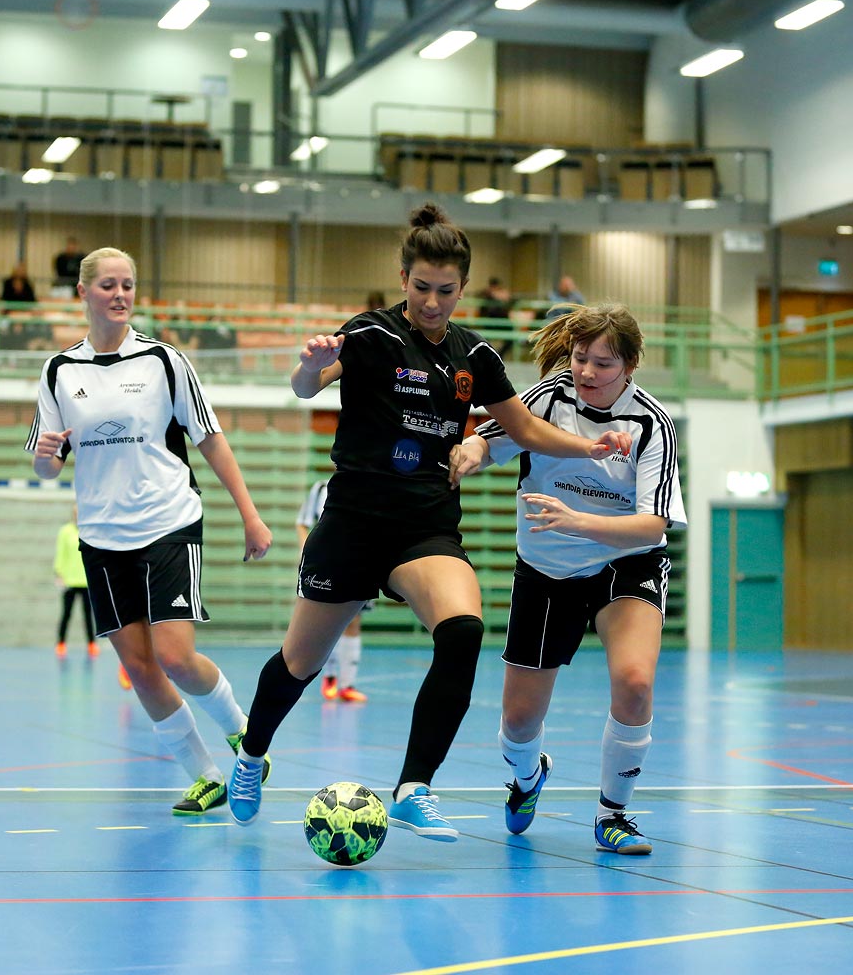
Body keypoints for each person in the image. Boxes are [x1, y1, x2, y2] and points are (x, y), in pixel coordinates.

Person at [225, 203, 632, 841]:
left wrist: (591, 446)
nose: (433, 302)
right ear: (403, 277)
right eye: (421, 288)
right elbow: (308, 386)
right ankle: (251, 755)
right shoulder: (369, 335)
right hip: (354, 522)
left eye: (446, 291)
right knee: (299, 663)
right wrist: (310, 362)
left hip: (426, 525)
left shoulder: (477, 357)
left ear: (463, 288)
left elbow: (522, 428)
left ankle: (414, 787)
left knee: (464, 630)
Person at [27, 245, 275, 816]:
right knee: (138, 667)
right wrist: (44, 455)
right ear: (83, 293)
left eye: (128, 285)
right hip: (101, 535)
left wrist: (250, 513)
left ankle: (245, 737)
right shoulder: (60, 371)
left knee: (175, 656)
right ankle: (205, 775)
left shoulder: (165, 361)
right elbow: (47, 464)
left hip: (168, 521)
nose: (119, 295)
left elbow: (209, 437)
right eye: (108, 285)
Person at [452, 304, 685, 856]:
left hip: (623, 562)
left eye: (603, 363)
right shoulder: (547, 399)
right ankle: (528, 775)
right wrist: (469, 452)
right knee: (518, 720)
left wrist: (580, 523)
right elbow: (492, 439)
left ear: (630, 366)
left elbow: (653, 524)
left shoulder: (652, 424)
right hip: (546, 569)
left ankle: (614, 814)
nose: (586, 372)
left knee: (634, 681)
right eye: (581, 358)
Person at [295, 479, 366, 704]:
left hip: (358, 561)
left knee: (354, 620)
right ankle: (330, 677)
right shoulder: (320, 488)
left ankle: (348, 684)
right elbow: (302, 522)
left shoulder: (367, 485)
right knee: (327, 621)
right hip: (326, 562)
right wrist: (309, 551)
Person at [53, 507, 96, 659]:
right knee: (66, 614)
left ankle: (91, 644)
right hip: (69, 581)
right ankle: (61, 643)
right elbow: (61, 553)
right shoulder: (65, 531)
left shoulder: (89, 530)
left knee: (88, 615)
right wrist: (59, 574)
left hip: (85, 581)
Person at [477, 277, 515, 357]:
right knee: (482, 340)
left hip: (503, 322)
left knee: (512, 338)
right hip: (490, 322)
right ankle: (486, 356)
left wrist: (502, 296)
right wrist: (492, 294)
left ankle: (499, 355)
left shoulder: (503, 293)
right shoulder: (486, 293)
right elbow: (480, 295)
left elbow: (511, 301)